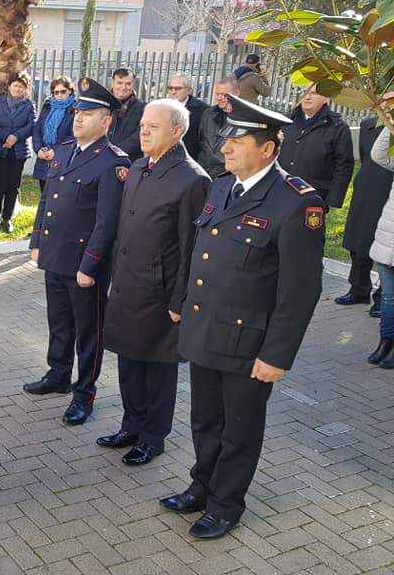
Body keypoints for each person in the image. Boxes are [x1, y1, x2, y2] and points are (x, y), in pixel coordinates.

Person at [160, 94, 324, 539]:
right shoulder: (221, 185)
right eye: (227, 137)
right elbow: (197, 254)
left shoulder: (296, 203)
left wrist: (277, 355)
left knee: (239, 430)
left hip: (248, 343)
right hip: (206, 328)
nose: (226, 146)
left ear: (267, 149)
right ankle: (202, 486)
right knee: (204, 421)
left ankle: (227, 504)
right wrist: (180, 304)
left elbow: (301, 291)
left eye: (238, 139)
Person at [100, 99, 211, 465]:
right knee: (130, 362)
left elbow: (191, 249)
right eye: (143, 125)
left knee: (157, 369)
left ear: (177, 131)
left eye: (153, 126)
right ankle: (131, 425)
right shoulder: (139, 167)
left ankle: (153, 436)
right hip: (129, 285)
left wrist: (179, 302)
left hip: (161, 292)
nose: (143, 131)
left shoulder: (192, 179)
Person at [25, 78, 130, 426]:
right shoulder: (65, 150)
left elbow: (107, 222)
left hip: (85, 264)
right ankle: (57, 374)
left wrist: (92, 266)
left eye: (88, 113)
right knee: (59, 323)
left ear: (106, 121)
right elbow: (46, 201)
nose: (79, 118)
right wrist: (36, 241)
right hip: (55, 256)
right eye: (77, 112)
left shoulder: (113, 161)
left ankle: (84, 393)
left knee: (89, 332)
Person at [337, 116, 392, 319]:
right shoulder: (368, 125)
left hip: (388, 188)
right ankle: (358, 288)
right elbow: (365, 156)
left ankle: (382, 296)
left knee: (384, 249)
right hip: (367, 187)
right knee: (358, 240)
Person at [277, 84, 354, 211]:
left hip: (313, 195)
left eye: (314, 93)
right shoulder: (285, 122)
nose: (307, 97)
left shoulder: (337, 128)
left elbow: (344, 165)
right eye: (304, 92)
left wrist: (332, 200)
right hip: (280, 190)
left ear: (326, 98)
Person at [0, 72, 35, 233]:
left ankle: (7, 218)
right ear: (9, 86)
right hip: (0, 150)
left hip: (19, 151)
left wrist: (16, 136)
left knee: (13, 186)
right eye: (15, 85)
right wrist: (5, 136)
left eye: (21, 86)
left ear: (25, 89)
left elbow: (31, 125)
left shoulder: (29, 105)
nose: (18, 88)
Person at [365, 114, 394, 367]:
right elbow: (379, 154)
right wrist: (390, 119)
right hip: (389, 239)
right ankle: (385, 340)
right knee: (388, 298)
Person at [32, 76, 76, 192]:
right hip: (44, 158)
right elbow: (37, 129)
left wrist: (56, 151)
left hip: (63, 159)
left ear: (70, 91)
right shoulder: (48, 107)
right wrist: (38, 149)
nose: (60, 95)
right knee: (43, 196)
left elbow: (74, 136)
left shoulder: (75, 109)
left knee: (58, 198)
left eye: (63, 91)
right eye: (56, 92)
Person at [197, 77, 238, 179]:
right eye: (217, 94)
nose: (219, 98)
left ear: (236, 93)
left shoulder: (245, 117)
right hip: (204, 170)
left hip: (228, 173)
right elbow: (201, 140)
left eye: (224, 95)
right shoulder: (208, 113)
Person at [166, 73, 208, 161]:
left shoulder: (203, 110)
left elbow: (204, 140)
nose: (173, 92)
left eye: (178, 88)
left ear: (189, 90)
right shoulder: (161, 107)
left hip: (190, 159)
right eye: (170, 88)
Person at [107, 67, 145, 160]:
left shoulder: (143, 108)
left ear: (133, 84)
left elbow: (140, 135)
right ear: (112, 83)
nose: (123, 87)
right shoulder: (101, 105)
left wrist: (114, 152)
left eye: (128, 84)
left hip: (129, 161)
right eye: (119, 83)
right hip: (100, 158)